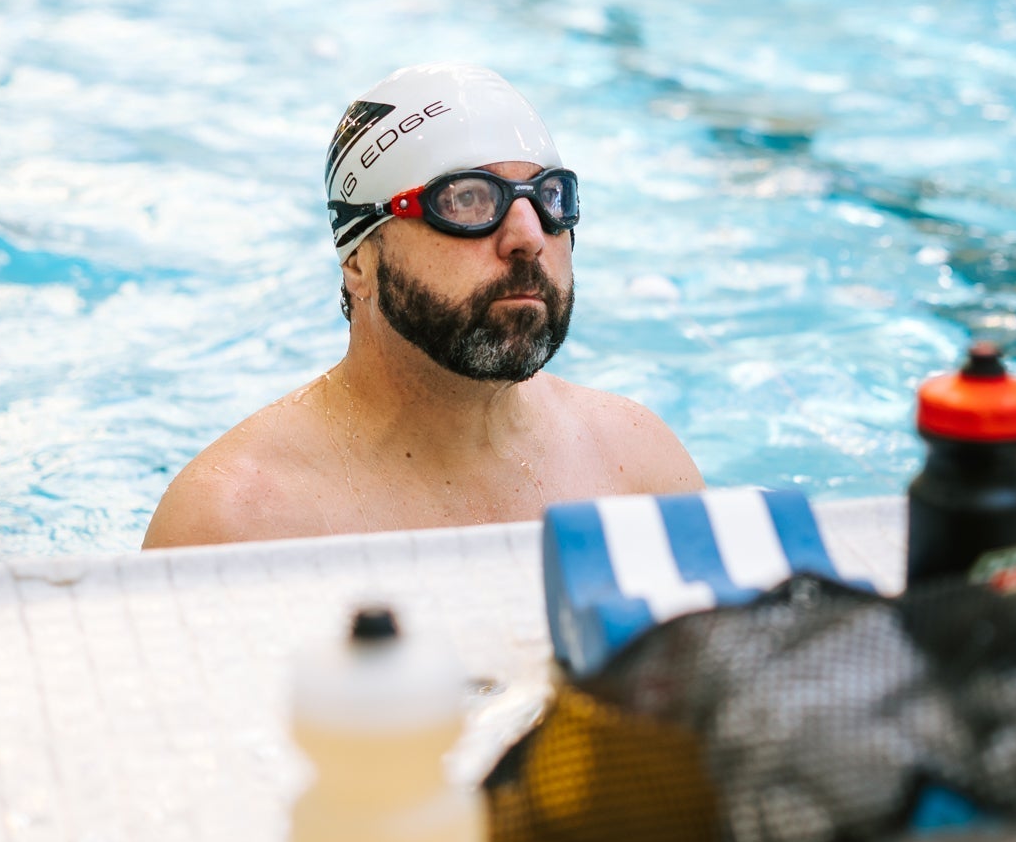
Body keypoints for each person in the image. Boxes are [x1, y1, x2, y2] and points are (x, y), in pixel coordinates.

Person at [144, 63, 704, 548]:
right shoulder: (236, 522)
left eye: (550, 196)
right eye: (466, 199)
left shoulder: (638, 468)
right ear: (359, 260)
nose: (529, 236)